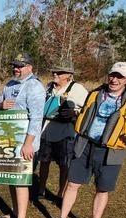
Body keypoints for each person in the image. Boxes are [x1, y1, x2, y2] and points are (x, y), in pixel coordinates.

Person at [48, 61, 126, 218]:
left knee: (102, 188)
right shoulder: (95, 93)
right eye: (113, 75)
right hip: (85, 145)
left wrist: (121, 141)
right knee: (72, 184)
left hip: (111, 151)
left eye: (120, 77)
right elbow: (85, 113)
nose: (114, 80)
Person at [0, 52, 45, 218]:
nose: (16, 69)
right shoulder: (9, 84)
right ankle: (15, 212)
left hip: (25, 142)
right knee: (11, 177)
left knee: (21, 181)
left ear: (30, 67)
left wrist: (28, 144)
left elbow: (37, 118)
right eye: (14, 65)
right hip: (9, 140)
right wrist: (0, 106)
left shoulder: (35, 87)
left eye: (20, 66)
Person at [35, 63, 87, 201]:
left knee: (64, 164)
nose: (55, 74)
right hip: (45, 131)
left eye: (59, 72)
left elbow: (88, 109)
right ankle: (41, 190)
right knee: (43, 161)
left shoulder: (77, 89)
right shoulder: (48, 87)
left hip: (65, 133)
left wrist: (75, 113)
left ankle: (61, 193)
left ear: (68, 75)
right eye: (54, 71)